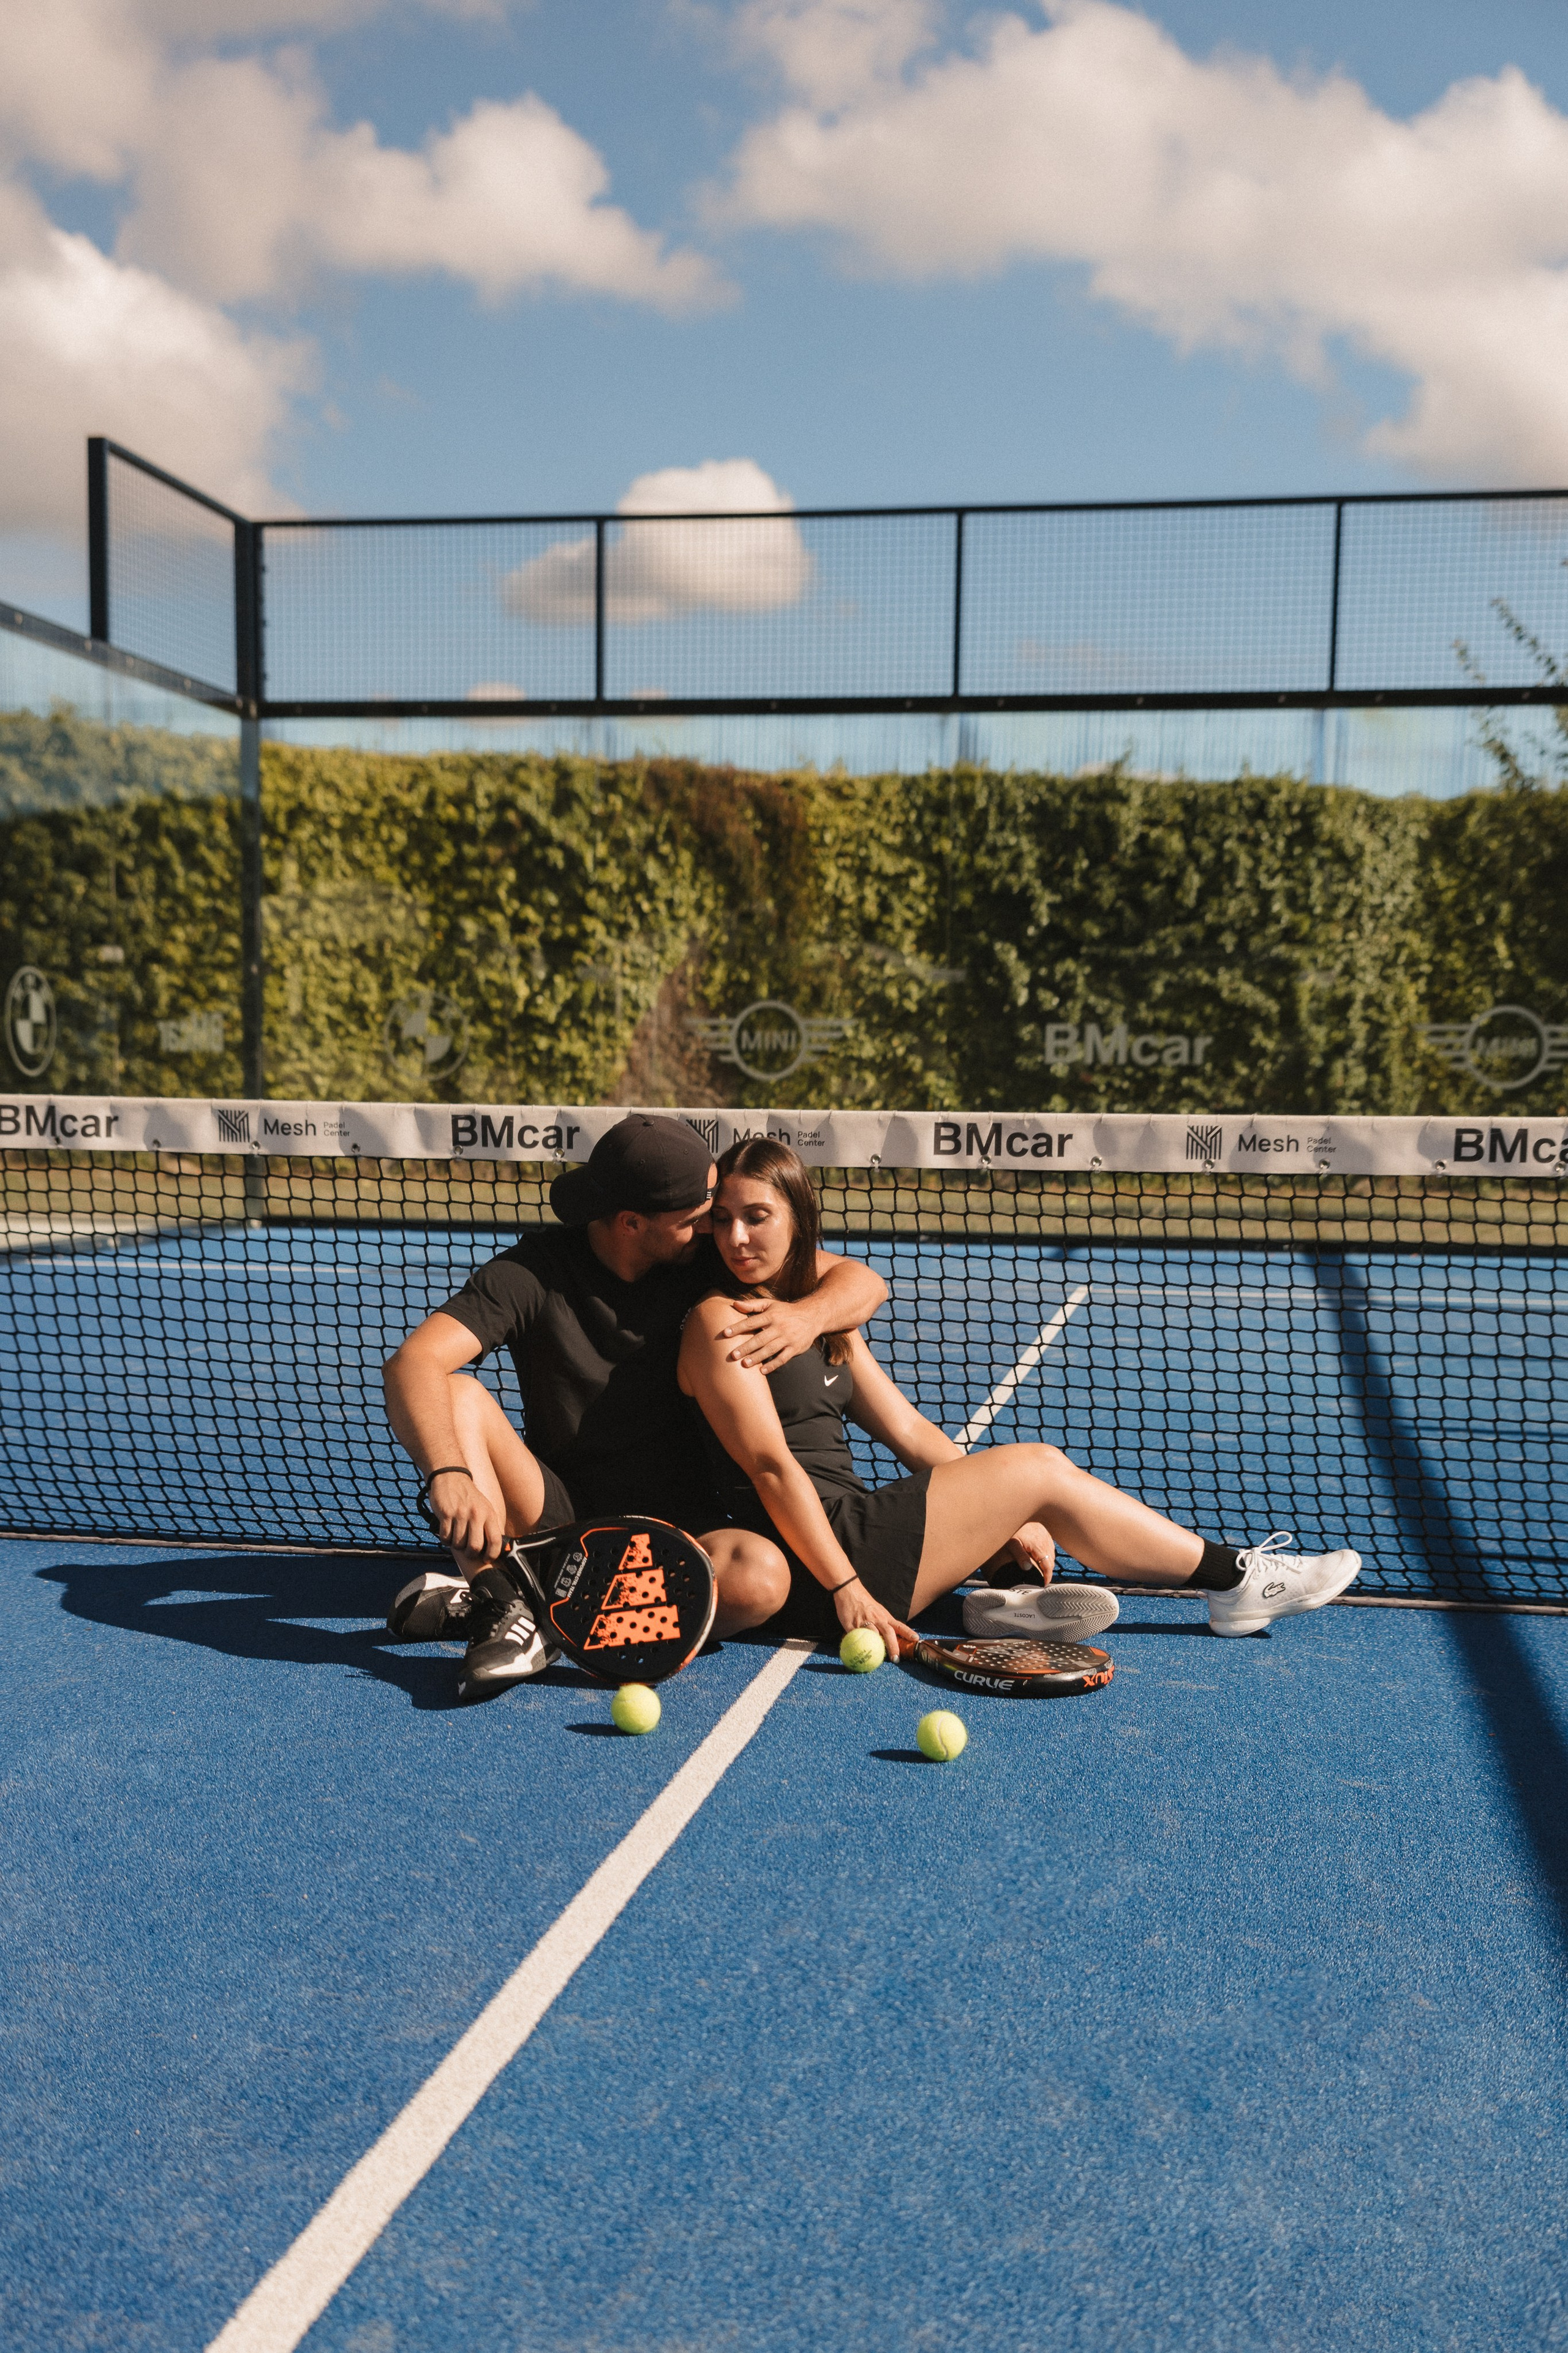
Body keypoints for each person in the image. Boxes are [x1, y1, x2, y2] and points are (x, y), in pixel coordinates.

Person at [678, 1136, 1362, 1654]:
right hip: (819, 1555)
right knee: (1034, 1467)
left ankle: (1010, 1597)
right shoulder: (717, 1322)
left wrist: (998, 1517)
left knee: (1031, 1483)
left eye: (758, 1216)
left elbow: (910, 1433)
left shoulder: (821, 1318)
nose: (737, 1237)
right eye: (724, 1220)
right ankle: (1238, 1581)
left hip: (848, 1530)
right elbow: (770, 1467)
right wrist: (845, 1587)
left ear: (797, 1217)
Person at [382, 1114, 886, 1696]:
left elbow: (862, 1282)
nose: (714, 1230)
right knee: (459, 1394)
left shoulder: (704, 1258)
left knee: (762, 1576)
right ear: (631, 1223)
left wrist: (805, 1317)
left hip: (680, 1533)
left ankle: (532, 1607)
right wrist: (448, 1472)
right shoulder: (532, 1273)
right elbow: (412, 1364)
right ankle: (501, 1605)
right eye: (698, 1217)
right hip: (558, 1519)